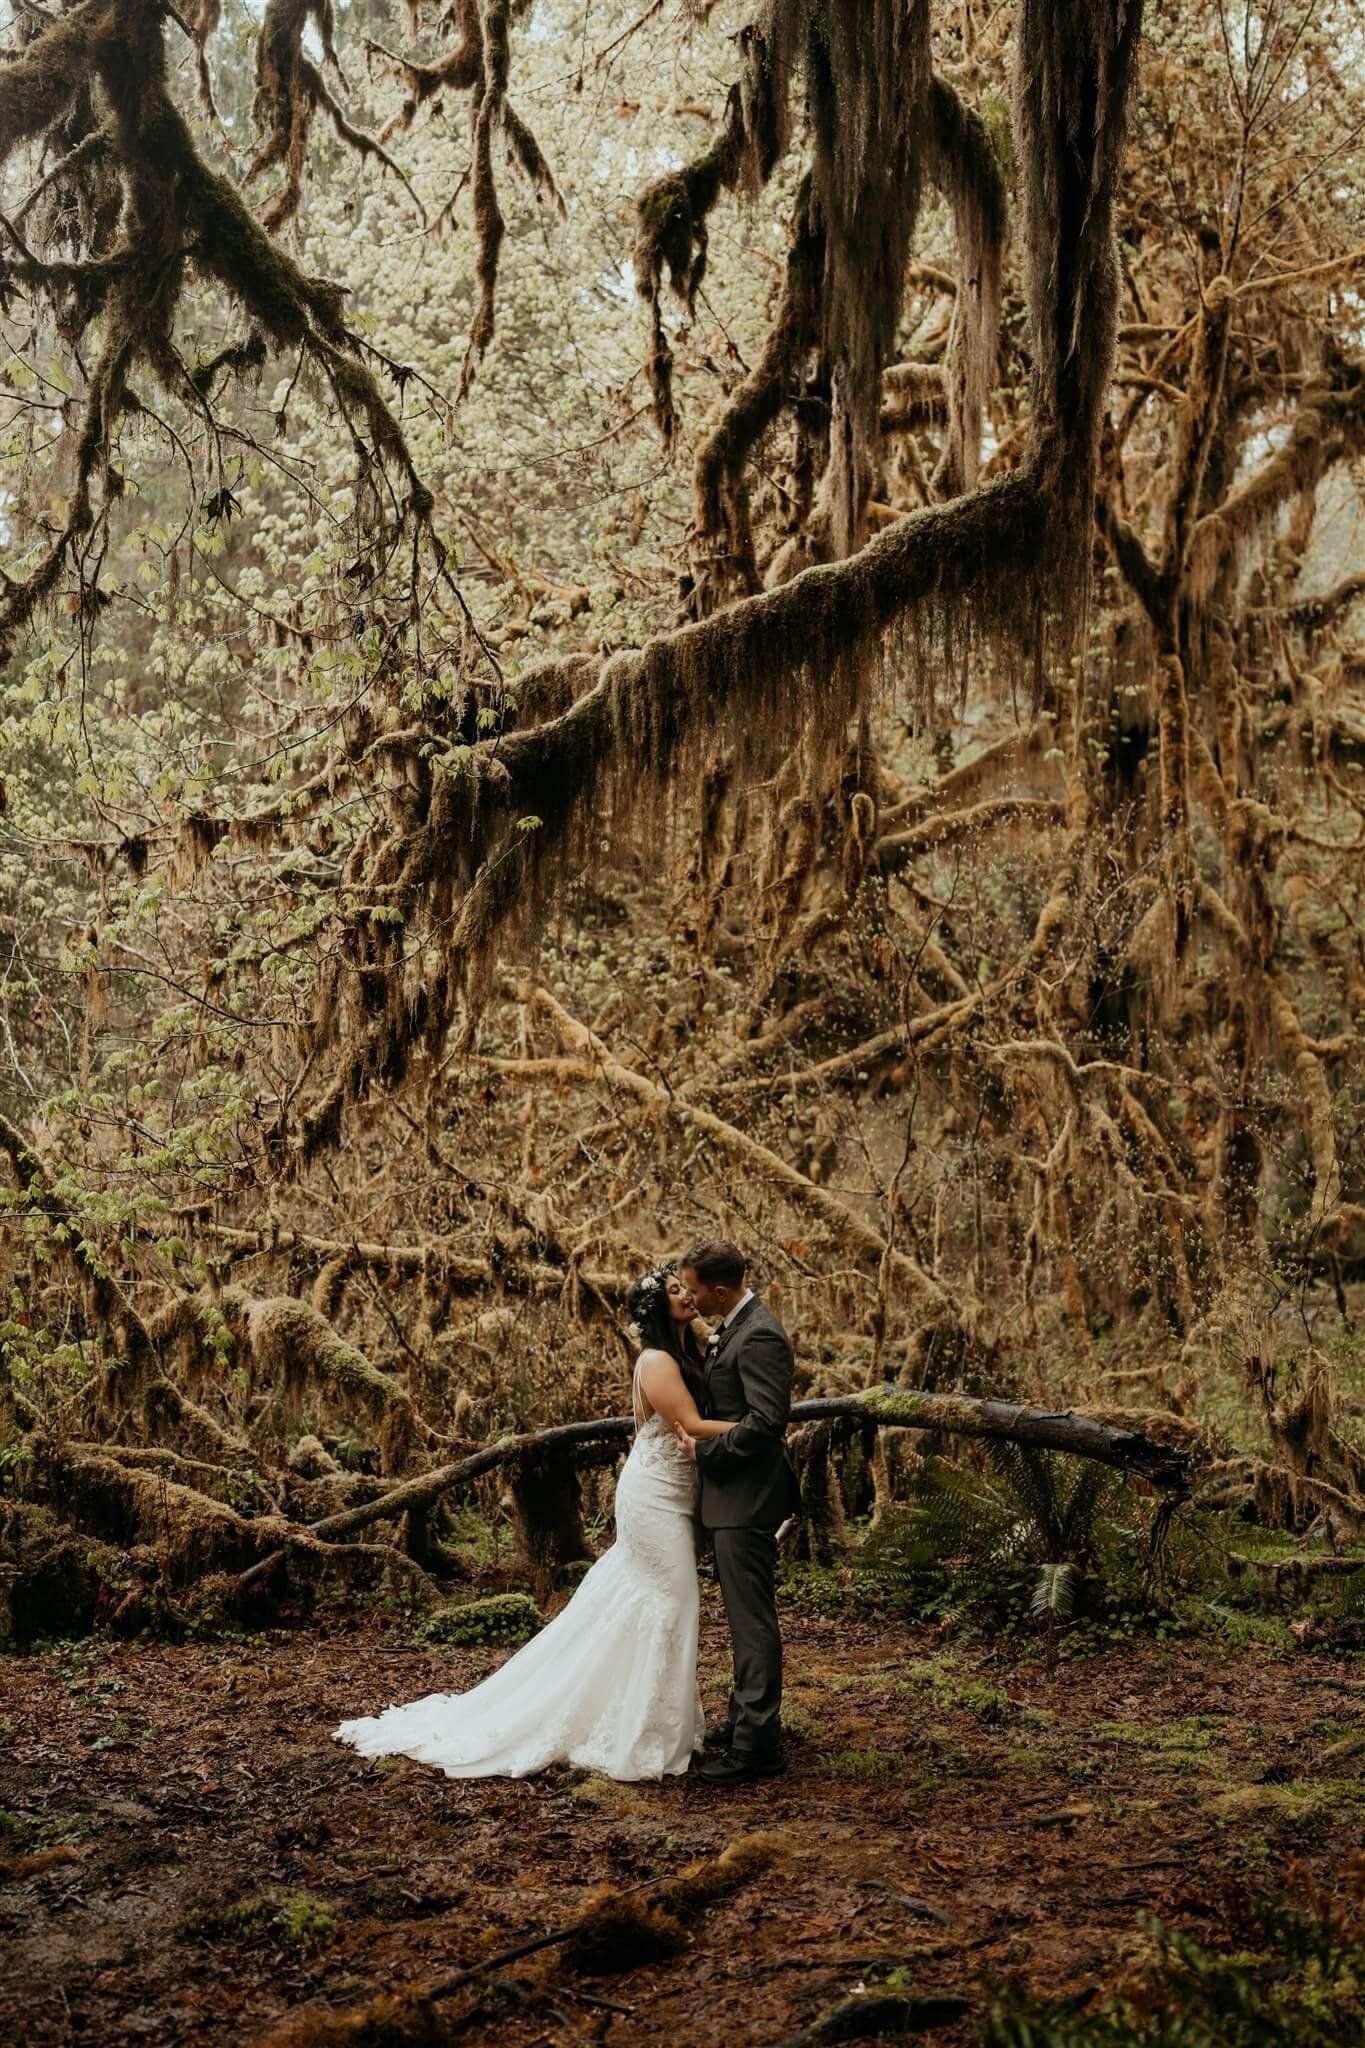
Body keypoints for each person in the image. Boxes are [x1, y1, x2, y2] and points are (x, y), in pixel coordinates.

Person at [332, 1265, 736, 1781]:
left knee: (646, 1601)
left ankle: (641, 1716)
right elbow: (694, 1426)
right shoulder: (656, 1361)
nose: (687, 1295)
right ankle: (645, 1731)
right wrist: (761, 1427)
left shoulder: (688, 1354)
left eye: (686, 1287)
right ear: (657, 1308)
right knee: (672, 1601)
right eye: (675, 1290)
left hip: (678, 1493)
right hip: (653, 1496)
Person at [675, 1239, 801, 1784]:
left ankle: (758, 1747)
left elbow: (767, 1424)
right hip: (730, 1500)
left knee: (752, 1623)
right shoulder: (737, 1325)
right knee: (743, 1619)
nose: (691, 1297)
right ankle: (743, 1718)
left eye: (696, 1289)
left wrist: (705, 1450)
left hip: (746, 1500)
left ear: (720, 1290)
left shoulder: (762, 1335)